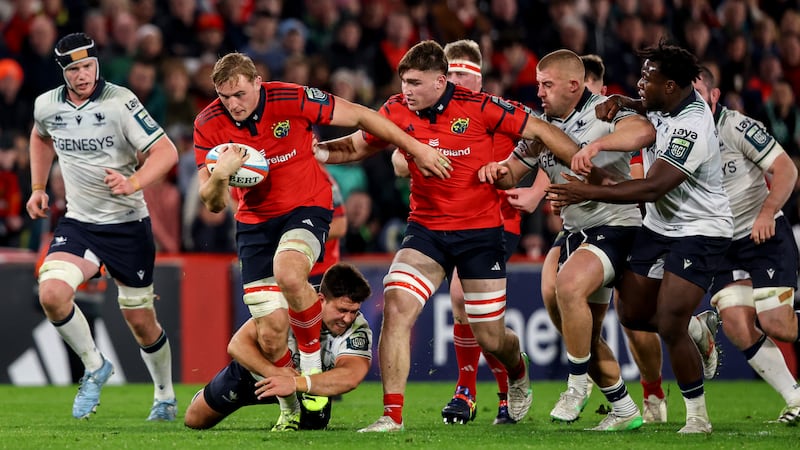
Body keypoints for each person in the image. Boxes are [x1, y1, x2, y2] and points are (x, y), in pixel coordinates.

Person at [315, 40, 581, 432]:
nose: (406, 89)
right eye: (403, 81)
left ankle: (517, 369)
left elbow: (540, 128)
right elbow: (356, 146)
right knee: (396, 304)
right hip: (426, 230)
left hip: (481, 233)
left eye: (415, 82)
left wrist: (580, 160)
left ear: (440, 81)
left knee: (490, 336)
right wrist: (314, 151)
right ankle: (392, 415)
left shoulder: (480, 106)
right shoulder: (396, 109)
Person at [192, 52, 450, 415]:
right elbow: (214, 204)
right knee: (270, 332)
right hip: (254, 223)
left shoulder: (291, 98)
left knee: (289, 271)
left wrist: (415, 147)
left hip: (307, 205)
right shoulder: (207, 123)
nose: (233, 104)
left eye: (239, 94)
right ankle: (291, 408)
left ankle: (311, 364)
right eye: (224, 97)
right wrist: (221, 174)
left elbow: (361, 116)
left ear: (257, 83)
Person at [547, 41, 732, 434]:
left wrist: (587, 191)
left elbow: (651, 188)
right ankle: (699, 328)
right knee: (630, 313)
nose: (641, 82)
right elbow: (645, 105)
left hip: (699, 229)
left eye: (649, 78)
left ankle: (698, 415)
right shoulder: (666, 101)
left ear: (670, 87)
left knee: (668, 323)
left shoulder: (692, 126)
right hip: (659, 227)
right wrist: (622, 99)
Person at [479, 49, 655, 431]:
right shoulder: (541, 126)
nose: (538, 91)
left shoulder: (605, 110)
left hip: (618, 224)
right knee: (569, 319)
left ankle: (576, 385)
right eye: (539, 84)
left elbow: (645, 131)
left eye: (547, 84)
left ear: (573, 86)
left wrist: (595, 147)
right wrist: (497, 171)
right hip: (575, 230)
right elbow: (513, 170)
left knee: (570, 286)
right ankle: (624, 409)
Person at [25, 33, 178, 421]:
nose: (83, 75)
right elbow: (40, 136)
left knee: (142, 323)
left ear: (98, 64)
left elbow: (166, 152)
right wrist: (38, 187)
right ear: (62, 71)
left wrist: (134, 183)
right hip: (79, 223)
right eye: (74, 69)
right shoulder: (47, 105)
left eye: (89, 66)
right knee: (52, 294)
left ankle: (164, 396)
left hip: (128, 225)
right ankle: (95, 366)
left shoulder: (120, 101)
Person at [390, 39, 517, 426]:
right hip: (440, 222)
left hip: (495, 220)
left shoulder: (491, 113)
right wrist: (412, 151)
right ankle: (471, 390)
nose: (456, 80)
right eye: (453, 72)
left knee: (465, 300)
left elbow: (532, 150)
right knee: (469, 312)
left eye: (463, 74)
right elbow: (397, 160)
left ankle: (491, 388)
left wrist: (527, 185)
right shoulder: (426, 114)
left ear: (477, 78)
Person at [694, 67, 800, 423]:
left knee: (779, 325)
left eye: (698, 93)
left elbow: (787, 169)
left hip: (763, 235)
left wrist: (768, 212)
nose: (692, 101)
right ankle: (796, 399)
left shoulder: (737, 126)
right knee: (738, 326)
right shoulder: (679, 134)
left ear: (714, 95)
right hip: (721, 245)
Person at [583, 52, 669, 424]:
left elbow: (636, 187)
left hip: (632, 224)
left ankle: (651, 396)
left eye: (588, 95)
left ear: (600, 92)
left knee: (631, 315)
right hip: (588, 225)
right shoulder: (561, 122)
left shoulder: (619, 123)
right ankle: (604, 392)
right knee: (578, 309)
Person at [184, 262, 373, 431]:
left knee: (313, 429)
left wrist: (293, 384)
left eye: (353, 312)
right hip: (258, 376)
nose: (347, 319)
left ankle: (293, 410)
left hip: (303, 387)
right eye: (342, 310)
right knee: (195, 420)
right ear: (321, 299)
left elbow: (351, 375)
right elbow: (237, 345)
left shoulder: (357, 328)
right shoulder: (289, 305)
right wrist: (275, 373)